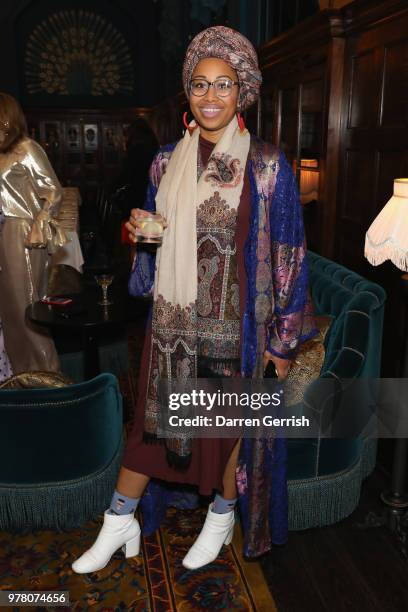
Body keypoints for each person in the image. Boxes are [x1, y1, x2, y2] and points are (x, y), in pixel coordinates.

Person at [72, 26, 316, 574]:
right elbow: (149, 270)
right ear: (188, 94)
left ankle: (222, 516)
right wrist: (141, 238)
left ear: (242, 92)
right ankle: (119, 522)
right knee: (151, 427)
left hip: (241, 330)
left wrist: (282, 341)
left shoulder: (269, 165)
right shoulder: (164, 162)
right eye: (200, 85)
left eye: (223, 85)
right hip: (174, 325)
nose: (210, 97)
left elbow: (290, 256)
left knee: (227, 432)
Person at [0, 92, 65, 373]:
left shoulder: (26, 148)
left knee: (27, 309)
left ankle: (48, 378)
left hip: (20, 232)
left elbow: (53, 190)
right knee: (10, 312)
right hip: (3, 230)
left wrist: (40, 224)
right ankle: (22, 377)